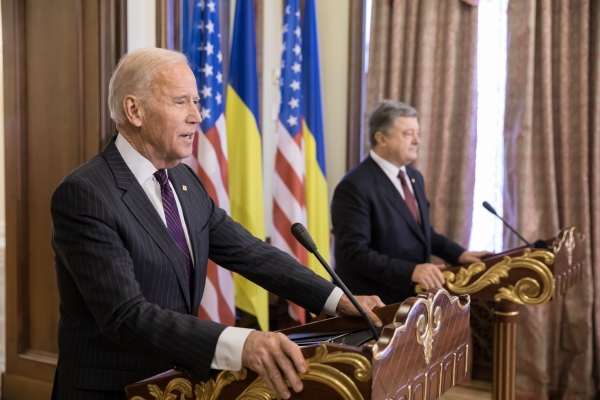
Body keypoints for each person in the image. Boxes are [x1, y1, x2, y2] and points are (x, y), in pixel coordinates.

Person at [50, 47, 384, 400]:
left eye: (196, 101)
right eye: (181, 102)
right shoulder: (85, 193)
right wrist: (241, 343)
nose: (197, 115)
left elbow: (251, 254)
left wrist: (337, 299)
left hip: (177, 385)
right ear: (135, 110)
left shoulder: (185, 182)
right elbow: (125, 315)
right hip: (112, 391)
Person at [331, 100, 490, 305]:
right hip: (374, 303)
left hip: (411, 300)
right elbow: (355, 253)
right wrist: (411, 271)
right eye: (408, 134)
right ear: (381, 138)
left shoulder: (414, 177)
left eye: (417, 133)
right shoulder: (354, 185)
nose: (417, 140)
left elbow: (424, 233)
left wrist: (459, 254)